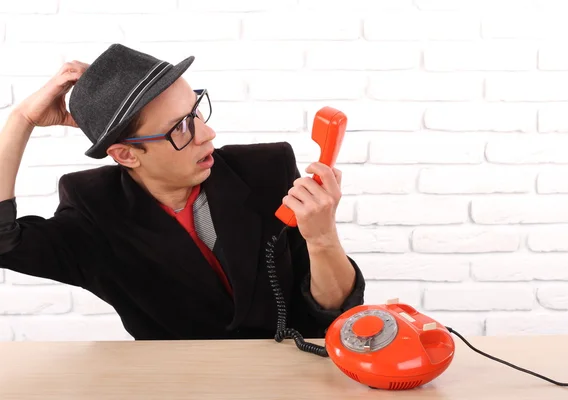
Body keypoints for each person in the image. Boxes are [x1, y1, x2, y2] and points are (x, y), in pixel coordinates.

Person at [0, 44, 365, 342]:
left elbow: (338, 314)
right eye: (181, 128)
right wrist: (21, 119)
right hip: (177, 383)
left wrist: (321, 238)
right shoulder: (94, 208)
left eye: (196, 111)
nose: (208, 134)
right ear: (127, 155)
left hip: (291, 374)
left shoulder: (266, 168)